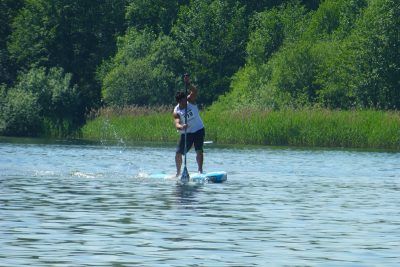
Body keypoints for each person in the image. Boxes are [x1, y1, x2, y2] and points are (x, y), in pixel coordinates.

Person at [173, 74, 205, 177]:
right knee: (178, 153)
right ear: (179, 102)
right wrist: (182, 127)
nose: (184, 102)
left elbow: (195, 91)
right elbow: (177, 123)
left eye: (184, 99)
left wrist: (188, 83)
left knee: (199, 150)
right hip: (186, 132)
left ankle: (200, 171)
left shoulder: (190, 100)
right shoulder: (176, 110)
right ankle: (178, 173)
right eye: (182, 101)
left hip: (199, 129)